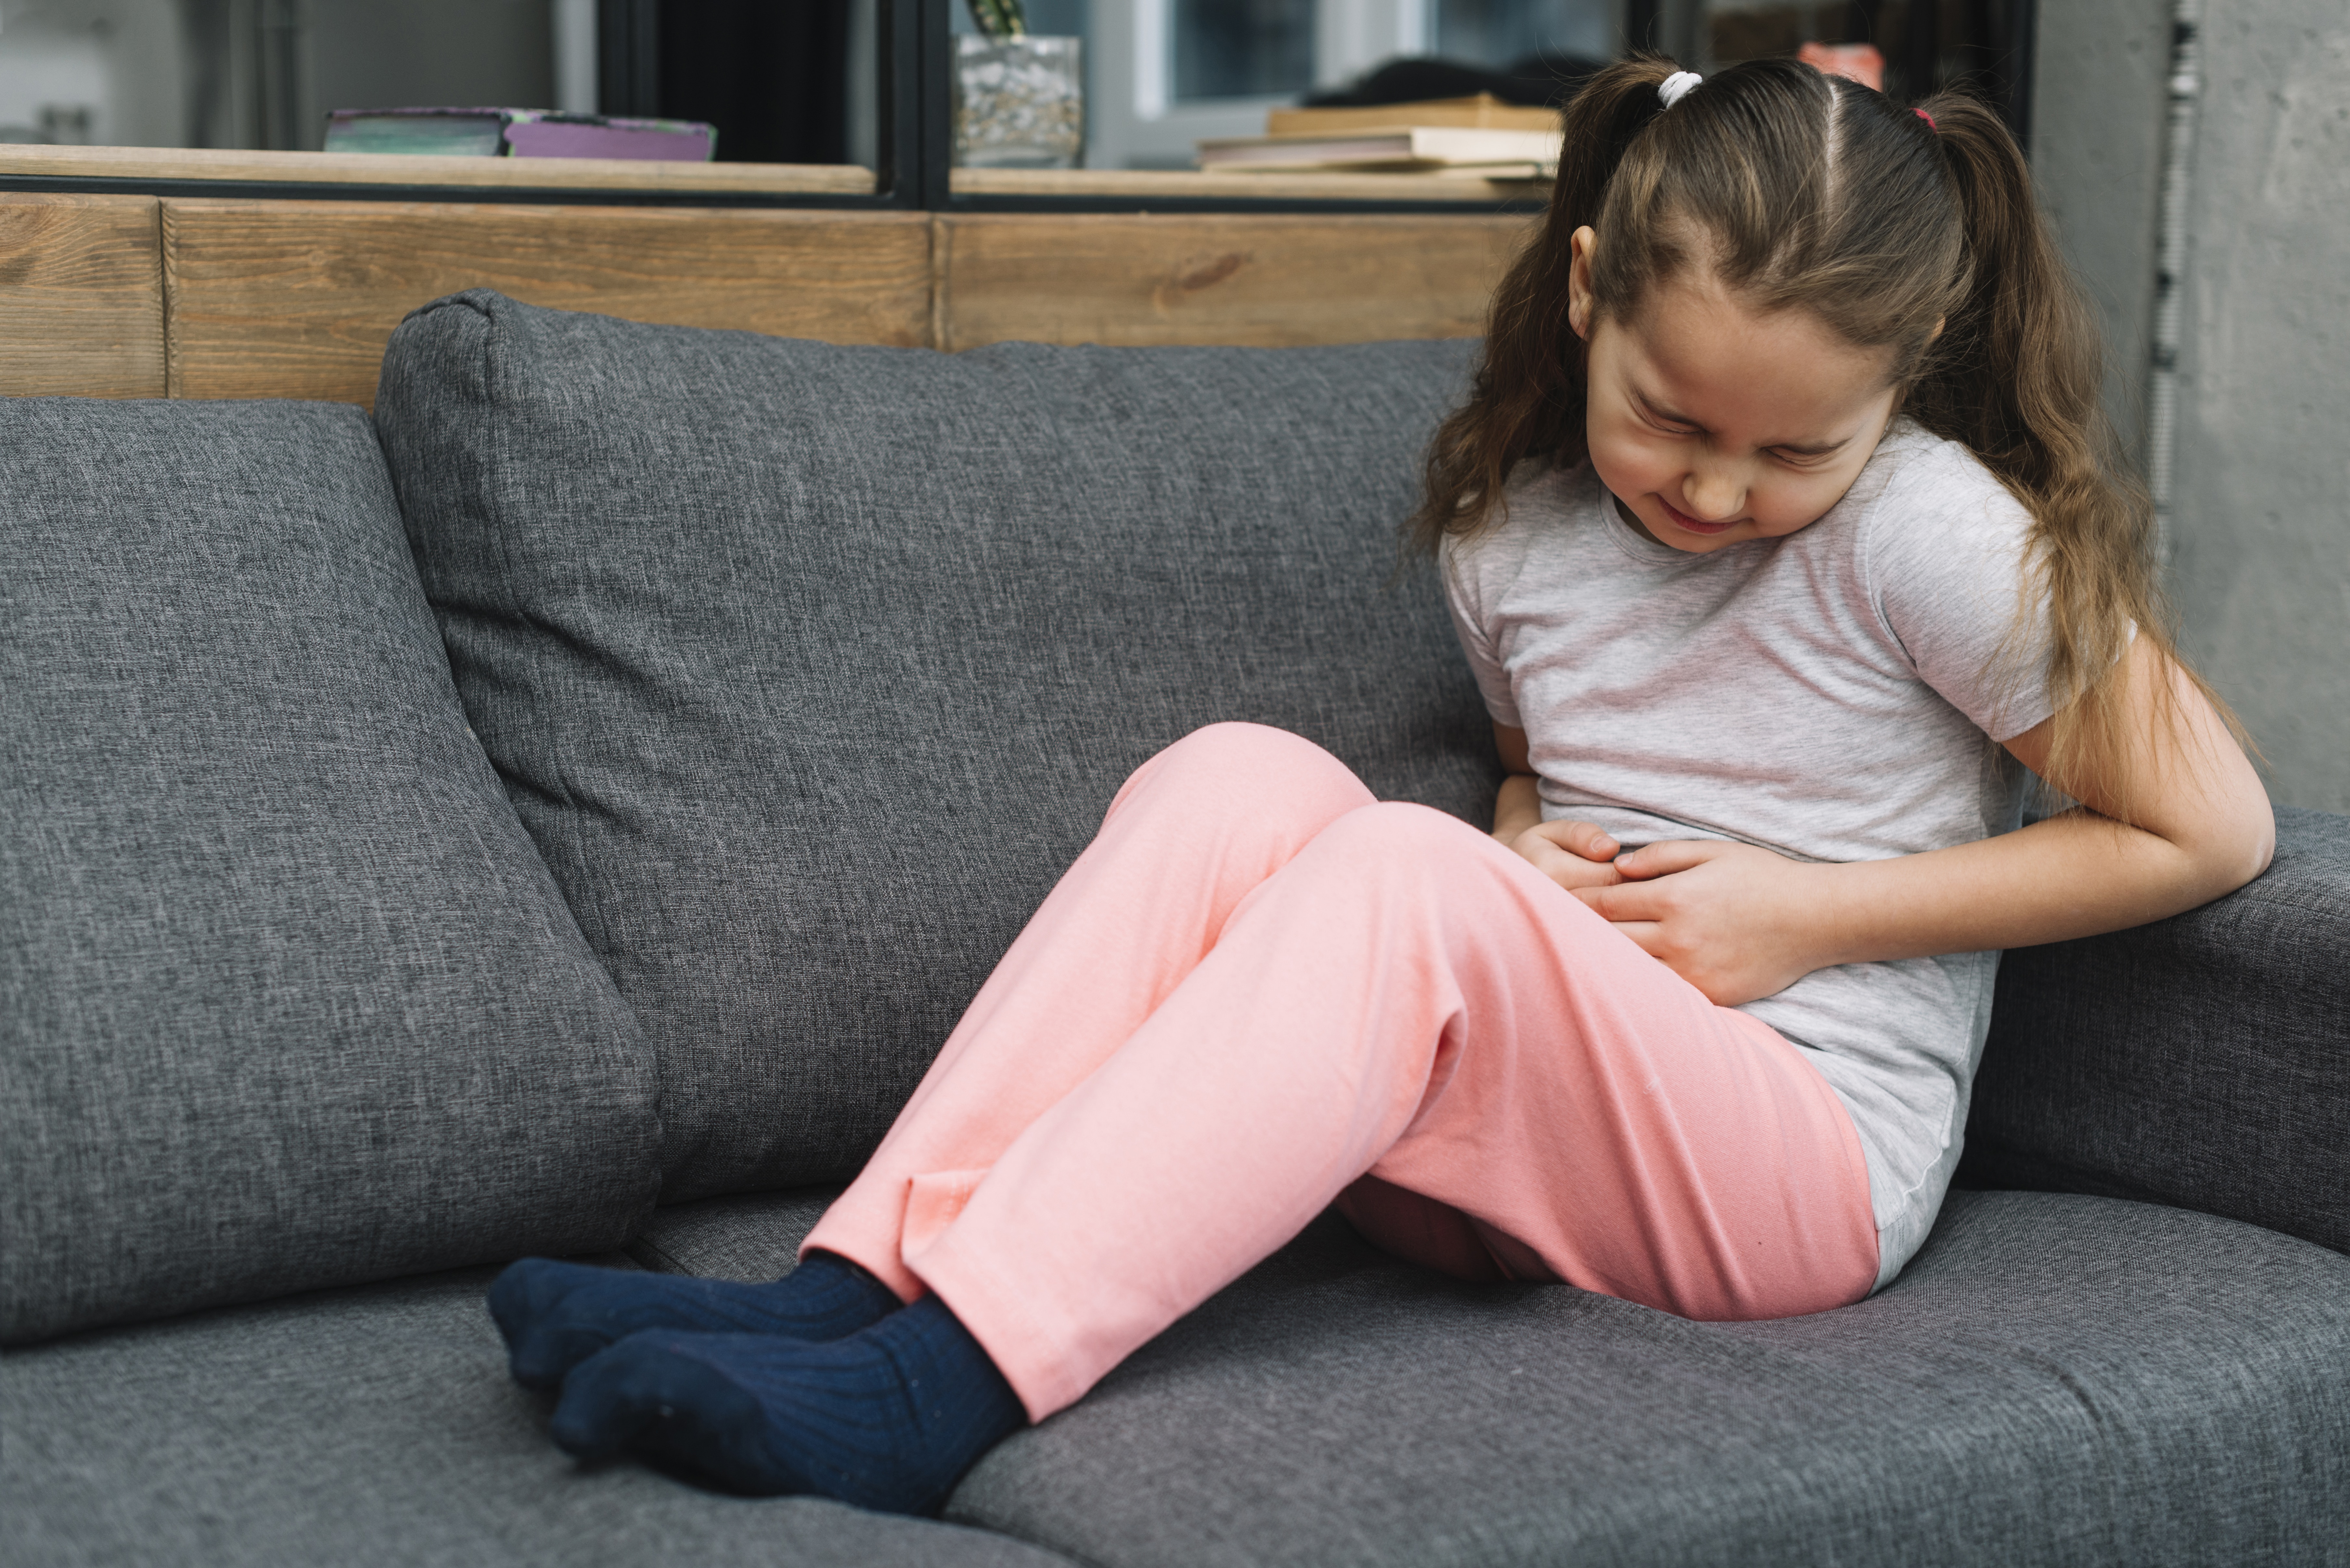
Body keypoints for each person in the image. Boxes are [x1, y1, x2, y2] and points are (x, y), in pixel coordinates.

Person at [485, 55, 2275, 1515]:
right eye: (1670, 418)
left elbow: (2209, 826)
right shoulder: (1517, 538)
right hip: (1517, 1158)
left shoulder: (1935, 538)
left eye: (1791, 449)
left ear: (1897, 393)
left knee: (1399, 875)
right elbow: (1534, 778)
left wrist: (1804, 916)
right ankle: (844, 1295)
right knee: (1237, 777)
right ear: (1586, 295)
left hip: (1794, 1168)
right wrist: (1524, 862)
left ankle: (932, 1390)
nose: (1717, 493)